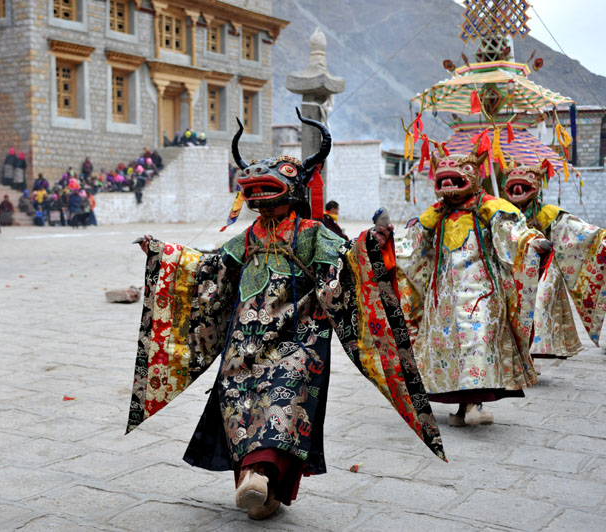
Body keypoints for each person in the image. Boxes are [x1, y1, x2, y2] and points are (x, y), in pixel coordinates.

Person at [126, 111, 445, 521]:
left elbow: (347, 263)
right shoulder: (250, 237)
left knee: (285, 397)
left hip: (300, 336)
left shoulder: (313, 233)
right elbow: (210, 266)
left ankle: (259, 474)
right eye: (253, 190)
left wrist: (372, 243)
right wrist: (163, 253)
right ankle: (261, 489)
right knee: (238, 401)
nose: (259, 197)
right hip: (245, 338)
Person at [395, 145, 551, 427]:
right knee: (450, 348)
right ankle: (460, 407)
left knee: (477, 343)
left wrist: (531, 243)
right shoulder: (436, 213)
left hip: (481, 292)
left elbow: (513, 232)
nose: (449, 179)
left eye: (462, 171)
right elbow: (410, 243)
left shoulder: (489, 206)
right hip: (442, 297)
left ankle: (474, 405)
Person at [502, 161, 606, 358]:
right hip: (513, 266)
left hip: (545, 266)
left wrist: (602, 239)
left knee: (543, 292)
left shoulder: (548, 213)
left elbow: (578, 232)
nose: (518, 186)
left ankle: (540, 346)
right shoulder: (501, 214)